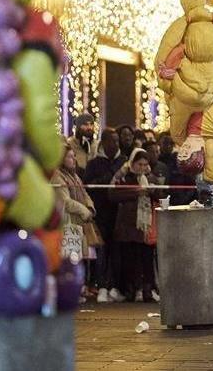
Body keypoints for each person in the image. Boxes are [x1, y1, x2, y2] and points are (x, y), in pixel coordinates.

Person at [109, 148, 161, 302]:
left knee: (146, 259)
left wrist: (151, 191)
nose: (143, 168)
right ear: (132, 163)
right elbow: (112, 194)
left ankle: (146, 290)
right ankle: (130, 290)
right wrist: (135, 192)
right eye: (139, 164)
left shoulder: (151, 178)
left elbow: (161, 194)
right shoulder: (124, 177)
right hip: (128, 226)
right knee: (129, 260)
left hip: (145, 227)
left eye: (145, 164)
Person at [52, 144, 101, 301]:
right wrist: (84, 210)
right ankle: (67, 292)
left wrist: (90, 206)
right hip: (67, 222)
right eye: (69, 156)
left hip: (78, 223)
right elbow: (65, 201)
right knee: (68, 259)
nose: (73, 159)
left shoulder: (74, 176)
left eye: (74, 156)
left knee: (78, 258)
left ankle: (77, 289)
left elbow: (84, 192)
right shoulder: (57, 176)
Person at [83, 128, 126, 302]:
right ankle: (101, 286)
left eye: (117, 141)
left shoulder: (124, 161)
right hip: (101, 213)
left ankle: (115, 286)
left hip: (119, 213)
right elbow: (89, 186)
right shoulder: (94, 164)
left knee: (117, 252)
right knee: (102, 252)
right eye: (112, 141)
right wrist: (111, 175)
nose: (115, 144)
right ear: (103, 142)